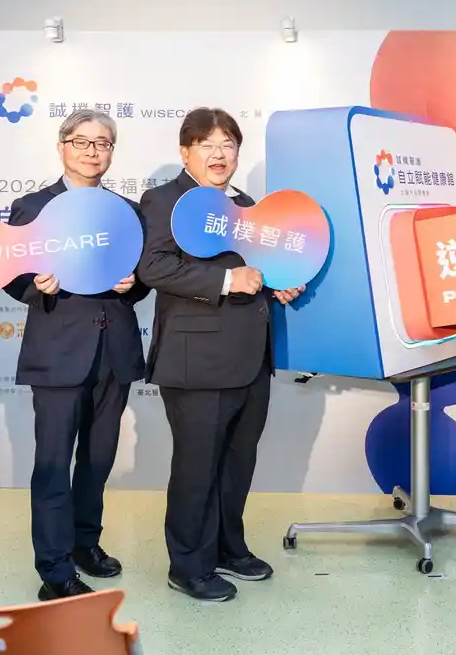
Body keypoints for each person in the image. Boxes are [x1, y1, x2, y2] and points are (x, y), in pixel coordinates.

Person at [137, 107, 303, 602]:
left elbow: (260, 269)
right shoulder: (164, 200)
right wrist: (227, 279)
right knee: (196, 467)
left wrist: (278, 285)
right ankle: (188, 566)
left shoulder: (247, 205)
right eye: (207, 144)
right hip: (197, 360)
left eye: (228, 144)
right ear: (185, 152)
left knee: (237, 462)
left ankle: (229, 547)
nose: (219, 154)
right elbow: (153, 266)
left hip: (251, 357)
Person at [3, 109, 151, 601]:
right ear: (62, 146)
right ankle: (54, 569)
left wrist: (134, 285)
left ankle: (85, 544)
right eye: (82, 142)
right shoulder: (32, 207)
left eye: (103, 143)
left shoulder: (127, 210)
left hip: (115, 351)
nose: (92, 151)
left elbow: (143, 277)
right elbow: (12, 274)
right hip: (59, 352)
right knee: (52, 464)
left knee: (98, 459)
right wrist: (35, 285)